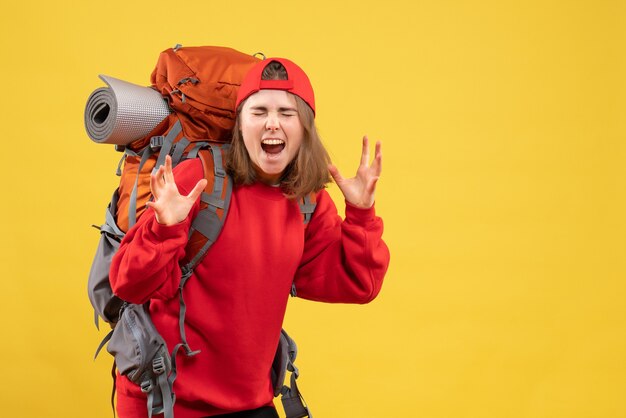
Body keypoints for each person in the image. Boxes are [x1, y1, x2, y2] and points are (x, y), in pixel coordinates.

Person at [109, 57, 390, 418]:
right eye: (259, 111)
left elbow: (359, 284)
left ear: (305, 127)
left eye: (287, 113)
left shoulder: (306, 200)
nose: (273, 123)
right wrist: (165, 229)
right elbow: (129, 284)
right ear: (240, 124)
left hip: (250, 403)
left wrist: (361, 214)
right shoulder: (197, 179)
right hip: (165, 401)